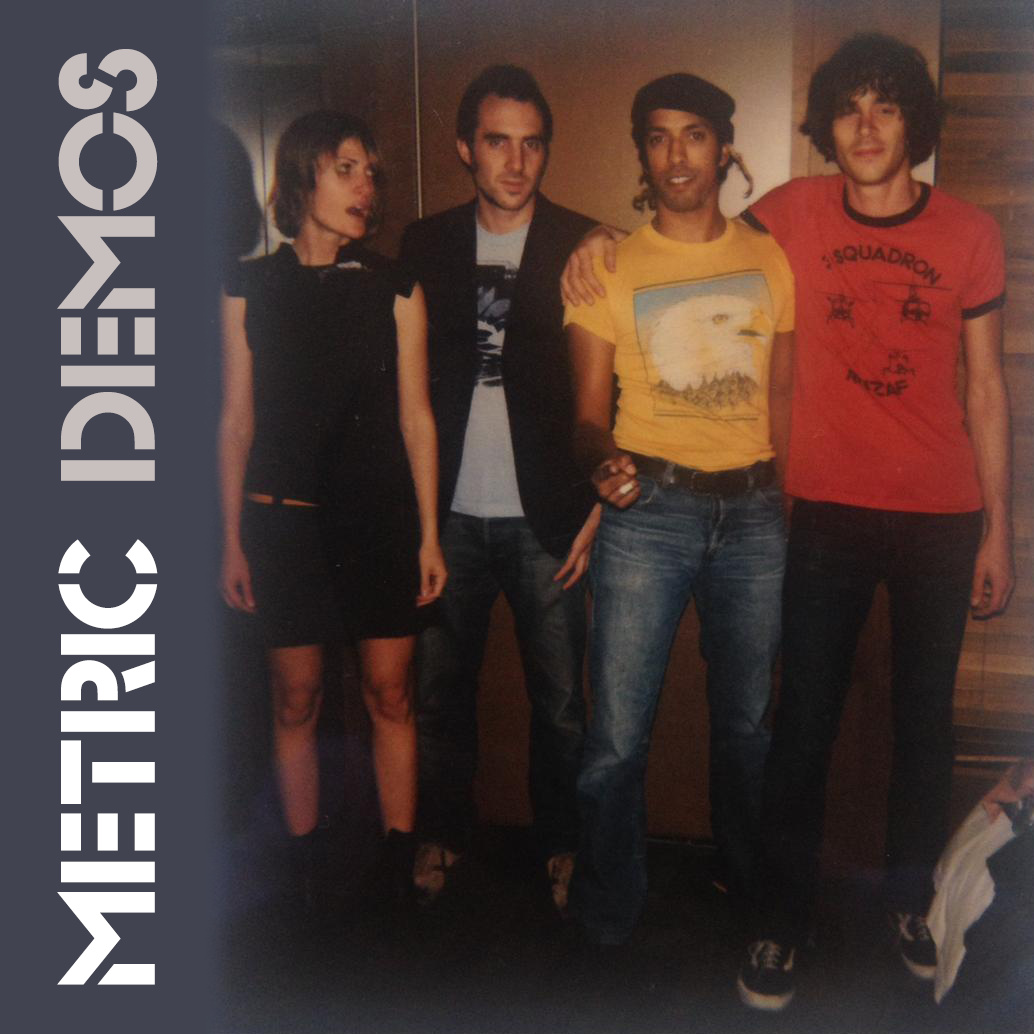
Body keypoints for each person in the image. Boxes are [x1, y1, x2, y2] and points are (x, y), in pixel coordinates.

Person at [562, 33, 1013, 1008]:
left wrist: (999, 529)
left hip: (936, 511)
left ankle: (911, 905)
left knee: (921, 724)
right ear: (823, 128)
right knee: (794, 725)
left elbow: (985, 387)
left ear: (914, 122)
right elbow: (682, 209)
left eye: (885, 106)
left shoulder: (970, 232)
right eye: (848, 108)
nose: (865, 127)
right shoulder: (790, 215)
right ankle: (775, 921)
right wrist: (596, 235)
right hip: (819, 511)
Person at [563, 73, 795, 947]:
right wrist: (601, 464)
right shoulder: (606, 266)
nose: (677, 155)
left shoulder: (770, 260)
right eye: (658, 137)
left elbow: (785, 400)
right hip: (648, 514)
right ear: (642, 153)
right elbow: (587, 417)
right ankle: (605, 911)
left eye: (694, 134)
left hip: (756, 514)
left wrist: (791, 508)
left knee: (748, 727)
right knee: (616, 736)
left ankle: (747, 883)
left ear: (724, 147)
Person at [219, 110, 446, 908]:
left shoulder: (395, 288)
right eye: (345, 168)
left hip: (378, 523)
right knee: (296, 697)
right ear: (301, 175)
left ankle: (397, 859)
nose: (365, 187)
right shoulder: (247, 289)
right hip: (283, 524)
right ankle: (305, 860)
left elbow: (418, 419)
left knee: (390, 694)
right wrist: (230, 540)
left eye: (370, 173)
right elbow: (236, 423)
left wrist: (428, 535)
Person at [398, 65, 599, 912]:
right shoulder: (425, 245)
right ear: (464, 148)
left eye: (532, 144)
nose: (516, 163)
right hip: (448, 515)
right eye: (497, 142)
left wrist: (596, 507)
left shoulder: (586, 242)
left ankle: (563, 846)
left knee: (561, 706)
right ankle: (443, 832)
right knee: (440, 694)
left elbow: (615, 387)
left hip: (547, 517)